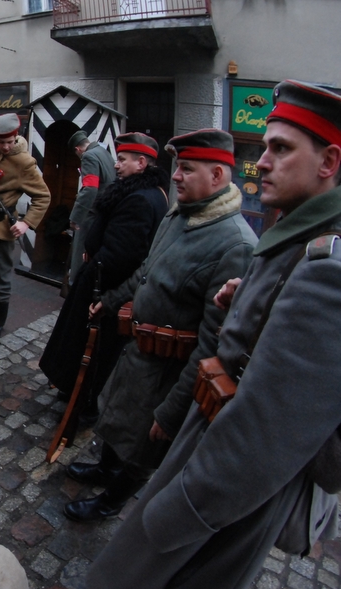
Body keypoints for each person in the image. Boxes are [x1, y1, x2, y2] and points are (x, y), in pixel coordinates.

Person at [87, 80, 341, 589]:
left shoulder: (326, 267)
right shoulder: (295, 241)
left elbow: (268, 432)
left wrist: (175, 513)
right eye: (265, 146)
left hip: (219, 489)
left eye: (280, 148)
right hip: (203, 441)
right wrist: (246, 299)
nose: (262, 162)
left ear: (329, 162)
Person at [63, 129, 258, 523]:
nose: (175, 176)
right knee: (118, 418)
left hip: (170, 374)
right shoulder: (179, 214)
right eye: (178, 167)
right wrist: (112, 301)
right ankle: (105, 470)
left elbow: (214, 345)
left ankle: (111, 501)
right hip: (138, 352)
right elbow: (146, 272)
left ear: (217, 175)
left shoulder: (236, 244)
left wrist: (173, 411)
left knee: (146, 444)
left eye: (186, 169)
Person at [40, 133, 169, 425]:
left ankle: (84, 403)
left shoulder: (140, 199)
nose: (116, 164)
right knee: (80, 345)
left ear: (141, 163)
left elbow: (122, 254)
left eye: (122, 160)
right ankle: (72, 387)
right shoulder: (142, 192)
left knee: (93, 351)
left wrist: (95, 262)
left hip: (104, 288)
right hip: (100, 282)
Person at [0, 113, 50, 343]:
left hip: (2, 227)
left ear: (16, 136)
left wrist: (26, 222)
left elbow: (43, 196)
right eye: (0, 141)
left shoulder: (24, 162)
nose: (4, 146)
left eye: (9, 142)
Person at [67, 130, 116, 285]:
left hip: (91, 214)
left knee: (80, 253)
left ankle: (75, 285)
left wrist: (75, 217)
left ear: (78, 149)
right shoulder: (104, 152)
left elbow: (90, 188)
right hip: (105, 211)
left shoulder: (88, 156)